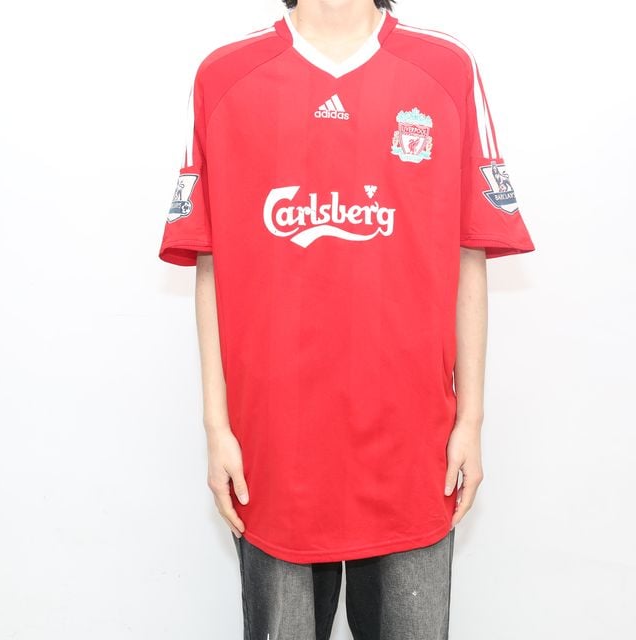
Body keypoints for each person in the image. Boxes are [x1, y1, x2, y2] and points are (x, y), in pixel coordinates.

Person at [157, 0, 536, 637]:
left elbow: (470, 254)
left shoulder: (447, 69)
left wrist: (470, 419)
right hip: (274, 453)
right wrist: (215, 425)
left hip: (411, 446)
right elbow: (210, 262)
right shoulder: (224, 76)